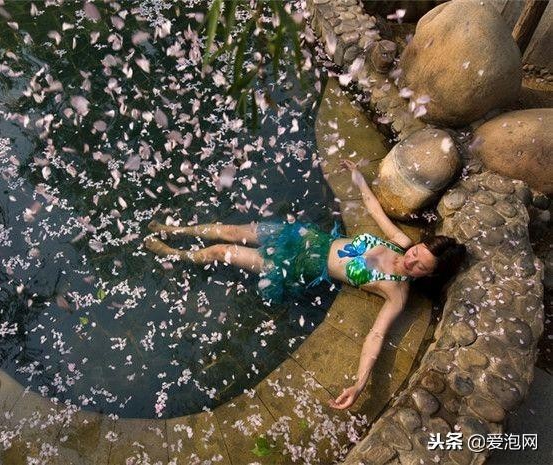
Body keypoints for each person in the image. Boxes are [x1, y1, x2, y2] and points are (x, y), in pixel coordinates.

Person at [143, 158, 467, 410]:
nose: (410, 260)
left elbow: (377, 335)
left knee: (221, 252)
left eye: (419, 265)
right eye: (416, 252)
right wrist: (357, 176)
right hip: (304, 238)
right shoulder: (399, 242)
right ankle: (176, 232)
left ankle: (176, 254)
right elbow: (374, 208)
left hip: (298, 264)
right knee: (229, 231)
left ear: (428, 274)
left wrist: (359, 383)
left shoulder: (396, 292)